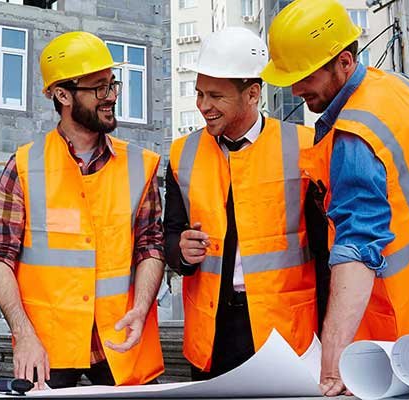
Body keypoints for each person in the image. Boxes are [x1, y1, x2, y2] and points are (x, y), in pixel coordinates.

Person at [261, 0, 409, 396]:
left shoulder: (354, 136)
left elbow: (357, 251)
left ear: (344, 62)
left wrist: (332, 364)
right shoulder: (399, 86)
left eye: (305, 76)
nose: (296, 89)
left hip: (402, 334)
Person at [0, 31, 165, 389]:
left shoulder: (139, 166)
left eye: (112, 85)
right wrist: (24, 334)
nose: (110, 96)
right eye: (98, 88)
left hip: (122, 340)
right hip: (46, 349)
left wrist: (141, 309)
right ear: (63, 95)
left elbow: (151, 247)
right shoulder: (23, 167)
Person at [163, 27, 320, 380]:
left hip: (286, 332)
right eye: (199, 93)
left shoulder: (304, 148)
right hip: (212, 333)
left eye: (216, 96)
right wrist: (181, 252)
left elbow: (326, 253)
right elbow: (170, 237)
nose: (204, 106)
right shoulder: (181, 154)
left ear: (252, 94)